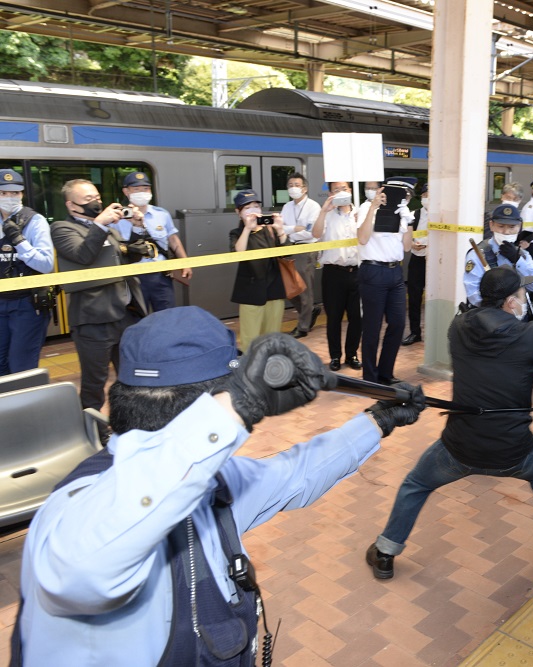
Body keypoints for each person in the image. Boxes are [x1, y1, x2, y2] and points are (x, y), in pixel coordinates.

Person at [13, 306, 425, 666]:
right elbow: (81, 568)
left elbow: (296, 474)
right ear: (206, 411)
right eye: (225, 407)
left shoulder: (211, 484)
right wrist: (240, 402)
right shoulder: (76, 509)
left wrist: (378, 421)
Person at [365, 268, 533, 579]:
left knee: (416, 484)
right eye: (521, 295)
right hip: (515, 450)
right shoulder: (528, 336)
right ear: (508, 302)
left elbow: (499, 336)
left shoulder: (459, 325)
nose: (524, 300)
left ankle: (385, 552)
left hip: (459, 447)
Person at [52, 179, 148, 410]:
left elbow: (128, 257)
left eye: (96, 197)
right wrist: (100, 224)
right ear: (71, 205)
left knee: (130, 376)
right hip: (93, 320)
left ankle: (129, 422)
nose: (95, 202)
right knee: (95, 382)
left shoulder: (110, 230)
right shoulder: (62, 229)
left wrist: (136, 227)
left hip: (124, 313)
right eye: (88, 199)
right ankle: (94, 430)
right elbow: (82, 255)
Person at [356, 179, 413, 384]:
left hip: (395, 272)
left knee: (397, 324)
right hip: (373, 271)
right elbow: (362, 239)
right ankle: (370, 377)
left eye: (406, 195)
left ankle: (385, 373)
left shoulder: (402, 212)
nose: (403, 198)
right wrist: (373, 208)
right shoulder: (365, 208)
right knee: (372, 327)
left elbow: (407, 247)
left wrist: (408, 222)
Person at [0, 168, 54, 375]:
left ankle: (24, 405)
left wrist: (19, 242)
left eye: (15, 193)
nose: (10, 197)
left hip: (27, 304)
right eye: (4, 193)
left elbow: (46, 264)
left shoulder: (34, 221)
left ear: (22, 194)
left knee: (21, 365)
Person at [114, 171, 191, 312]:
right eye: (136, 189)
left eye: (146, 189)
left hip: (160, 276)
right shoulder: (117, 218)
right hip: (133, 277)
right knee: (137, 318)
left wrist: (185, 263)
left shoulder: (161, 214)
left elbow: (173, 240)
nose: (142, 192)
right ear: (126, 191)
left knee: (167, 315)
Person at [312, 182, 363, 372]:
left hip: (357, 272)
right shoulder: (327, 216)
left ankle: (352, 354)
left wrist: (362, 220)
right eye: (336, 190)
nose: (341, 192)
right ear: (330, 194)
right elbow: (315, 234)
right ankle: (335, 356)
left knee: (357, 318)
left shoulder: (360, 214)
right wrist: (323, 211)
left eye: (345, 188)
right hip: (333, 273)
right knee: (333, 318)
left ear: (350, 191)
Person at [229, 190, 288, 353]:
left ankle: (271, 369)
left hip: (274, 289)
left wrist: (280, 230)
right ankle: (251, 370)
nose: (253, 210)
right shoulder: (237, 233)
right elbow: (238, 253)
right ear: (238, 212)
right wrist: (248, 229)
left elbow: (286, 253)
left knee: (273, 335)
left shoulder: (269, 229)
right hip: (250, 291)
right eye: (247, 208)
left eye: (256, 206)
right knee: (251, 338)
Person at [464, 204, 533, 306]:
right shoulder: (478, 255)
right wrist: (502, 308)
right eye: (501, 226)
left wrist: (518, 261)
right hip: (488, 315)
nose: (506, 232)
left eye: (512, 227)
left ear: (519, 227)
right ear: (491, 225)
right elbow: (473, 294)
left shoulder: (522, 254)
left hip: (516, 313)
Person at [279, 172, 322, 338]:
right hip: (289, 248)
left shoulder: (313, 207)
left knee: (304, 289)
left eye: (296, 185)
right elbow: (281, 228)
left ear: (305, 188)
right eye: (290, 186)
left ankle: (303, 327)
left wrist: (294, 230)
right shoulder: (287, 207)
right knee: (289, 288)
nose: (293, 188)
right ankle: (310, 310)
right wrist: (295, 229)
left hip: (306, 249)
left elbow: (311, 233)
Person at [403, 183, 429, 346]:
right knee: (414, 298)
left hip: (435, 261)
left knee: (435, 298)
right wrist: (412, 245)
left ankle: (435, 332)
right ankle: (415, 332)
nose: (428, 198)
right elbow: (405, 236)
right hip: (417, 260)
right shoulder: (414, 215)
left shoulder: (443, 216)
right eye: (425, 195)